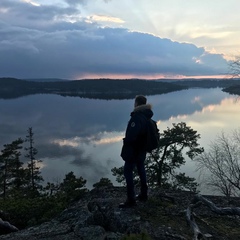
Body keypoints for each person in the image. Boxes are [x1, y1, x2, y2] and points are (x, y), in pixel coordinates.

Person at [119, 95, 154, 208]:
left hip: (134, 150)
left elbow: (132, 136)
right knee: (141, 169)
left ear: (136, 103)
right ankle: (144, 194)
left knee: (128, 172)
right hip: (142, 150)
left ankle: (131, 199)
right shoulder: (147, 116)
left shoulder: (137, 117)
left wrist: (126, 142)